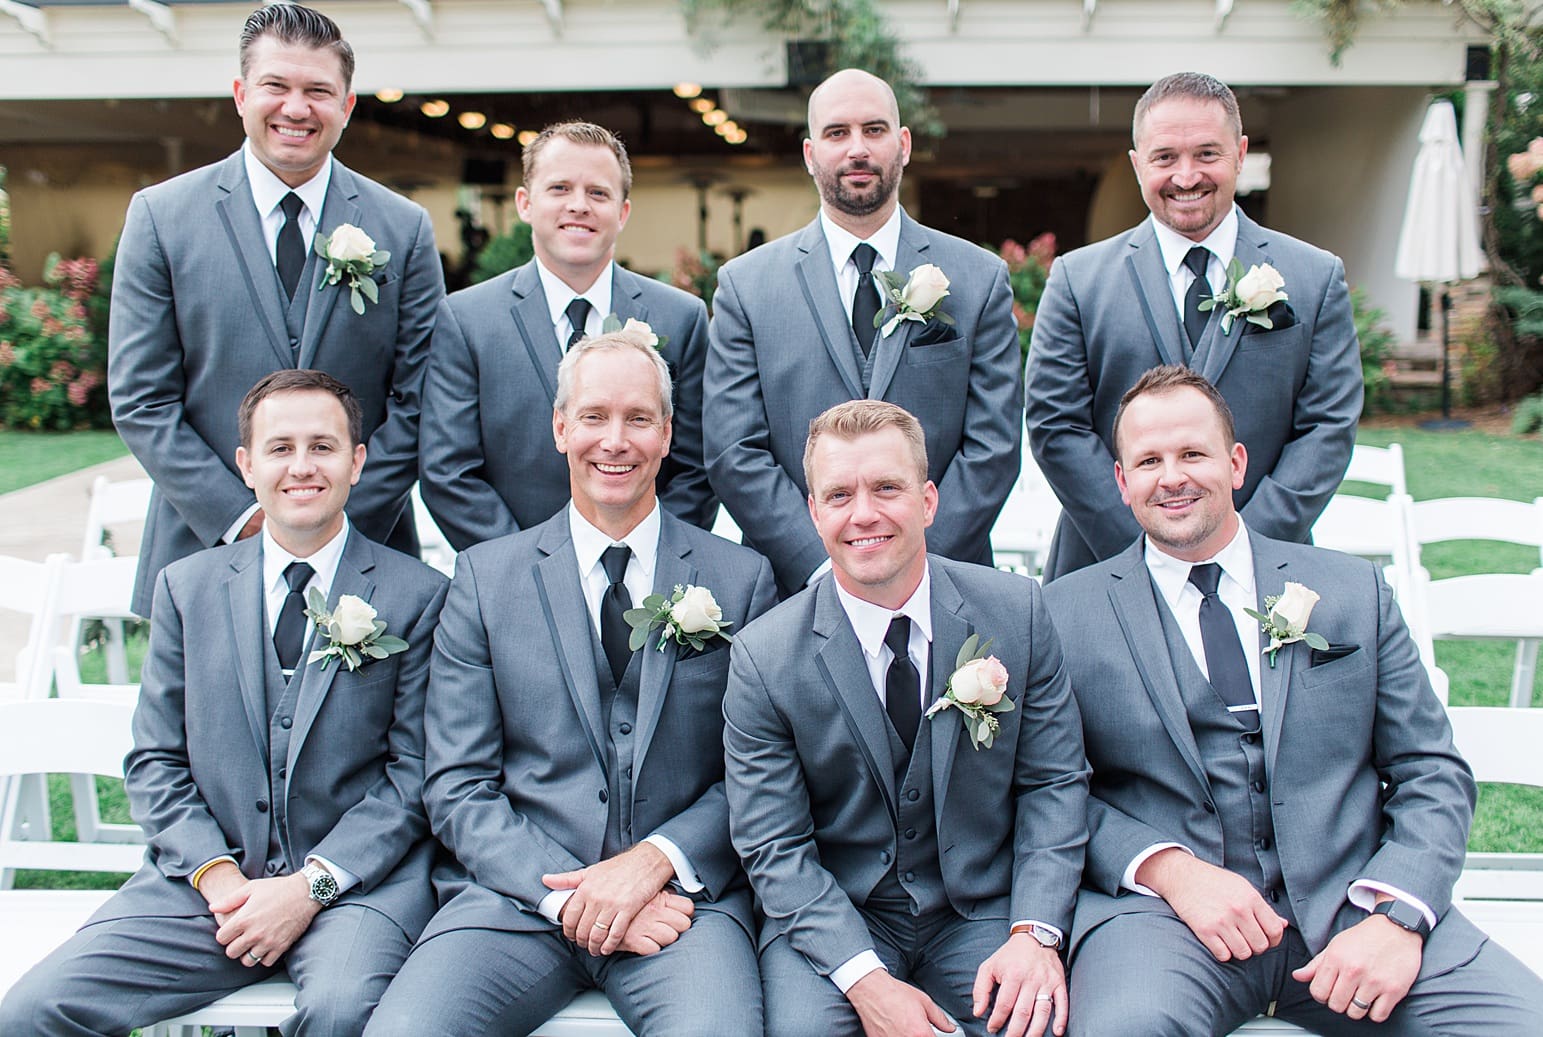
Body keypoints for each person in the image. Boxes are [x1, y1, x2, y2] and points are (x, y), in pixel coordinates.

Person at [1043, 365, 1543, 1035]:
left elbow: (1432, 770)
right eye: (1148, 460)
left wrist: (1395, 915)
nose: (1171, 476)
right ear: (1120, 480)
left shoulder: (1350, 590)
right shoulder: (1058, 615)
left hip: (1356, 906)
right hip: (1163, 926)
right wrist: (1167, 870)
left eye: (1192, 453)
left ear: (1236, 461)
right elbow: (1046, 791)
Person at [0, 370, 448, 1036]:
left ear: (357, 461)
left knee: (344, 1011)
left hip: (356, 887)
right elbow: (155, 761)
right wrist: (221, 883)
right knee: (32, 1011)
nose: (301, 466)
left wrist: (308, 886)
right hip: (205, 887)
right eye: (279, 447)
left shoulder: (420, 595)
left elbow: (414, 776)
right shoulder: (185, 588)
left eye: (323, 447)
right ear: (245, 465)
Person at [367, 327, 776, 1036]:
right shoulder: (484, 581)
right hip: (513, 903)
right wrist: (573, 898)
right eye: (593, 416)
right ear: (560, 428)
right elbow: (459, 785)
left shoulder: (741, 580)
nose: (613, 440)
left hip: (683, 905)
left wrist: (652, 862)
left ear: (668, 433)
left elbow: (758, 773)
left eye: (637, 418)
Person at [724, 400, 1088, 1037]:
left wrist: (1036, 932)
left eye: (886, 488)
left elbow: (1054, 785)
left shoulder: (1018, 614)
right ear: (814, 513)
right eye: (839, 495)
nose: (864, 513)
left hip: (983, 915)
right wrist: (864, 980)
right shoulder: (764, 657)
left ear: (927, 501)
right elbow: (774, 847)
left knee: (1034, 1027)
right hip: (839, 919)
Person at [109, 1, 444, 618]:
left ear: (345, 106)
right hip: (202, 550)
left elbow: (421, 398)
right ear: (240, 94)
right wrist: (243, 518)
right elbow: (141, 399)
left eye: (318, 90)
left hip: (363, 555)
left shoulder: (404, 227)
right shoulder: (161, 218)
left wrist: (335, 517)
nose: (296, 108)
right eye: (276, 86)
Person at [1026, 71, 1361, 583]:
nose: (1186, 177)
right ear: (1138, 163)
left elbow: (1327, 425)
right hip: (1108, 566)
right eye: (1165, 158)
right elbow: (1056, 424)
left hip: (1267, 568)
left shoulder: (1314, 277)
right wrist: (1147, 547)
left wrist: (1247, 545)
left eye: (1207, 154)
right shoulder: (1078, 279)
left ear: (1241, 153)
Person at [705, 68, 1022, 596]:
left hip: (945, 581)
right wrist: (822, 562)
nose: (857, 149)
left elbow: (994, 442)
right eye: (837, 133)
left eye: (874, 131)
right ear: (810, 154)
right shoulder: (747, 286)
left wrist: (914, 561)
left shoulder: (977, 277)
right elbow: (733, 449)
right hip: (796, 586)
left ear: (903, 145)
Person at [419, 120, 715, 551]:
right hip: (512, 576)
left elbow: (698, 466)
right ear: (525, 203)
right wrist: (523, 566)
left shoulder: (682, 317)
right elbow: (449, 472)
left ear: (623, 211)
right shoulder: (467, 320)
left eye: (598, 193)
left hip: (644, 571)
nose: (579, 205)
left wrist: (646, 553)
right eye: (559, 188)